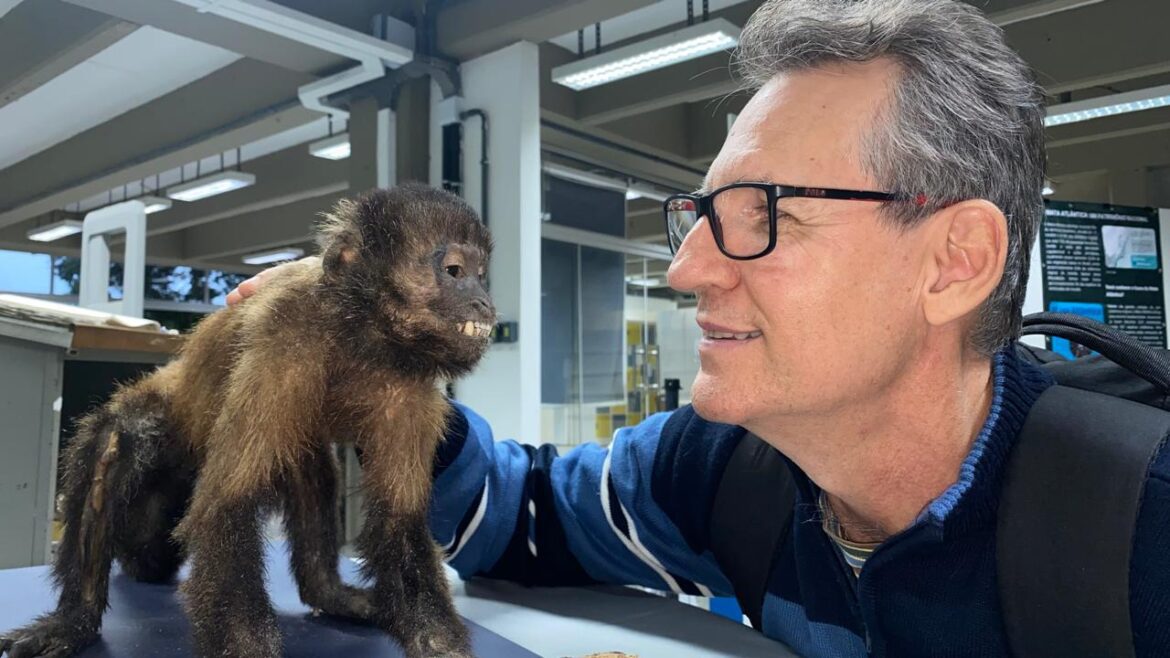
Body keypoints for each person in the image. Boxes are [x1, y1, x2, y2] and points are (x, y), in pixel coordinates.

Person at [229, 0, 1170, 655]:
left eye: (764, 213)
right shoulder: (726, 465)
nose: (687, 270)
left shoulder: (1136, 524)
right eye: (701, 214)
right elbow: (519, 515)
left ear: (953, 261)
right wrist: (380, 375)